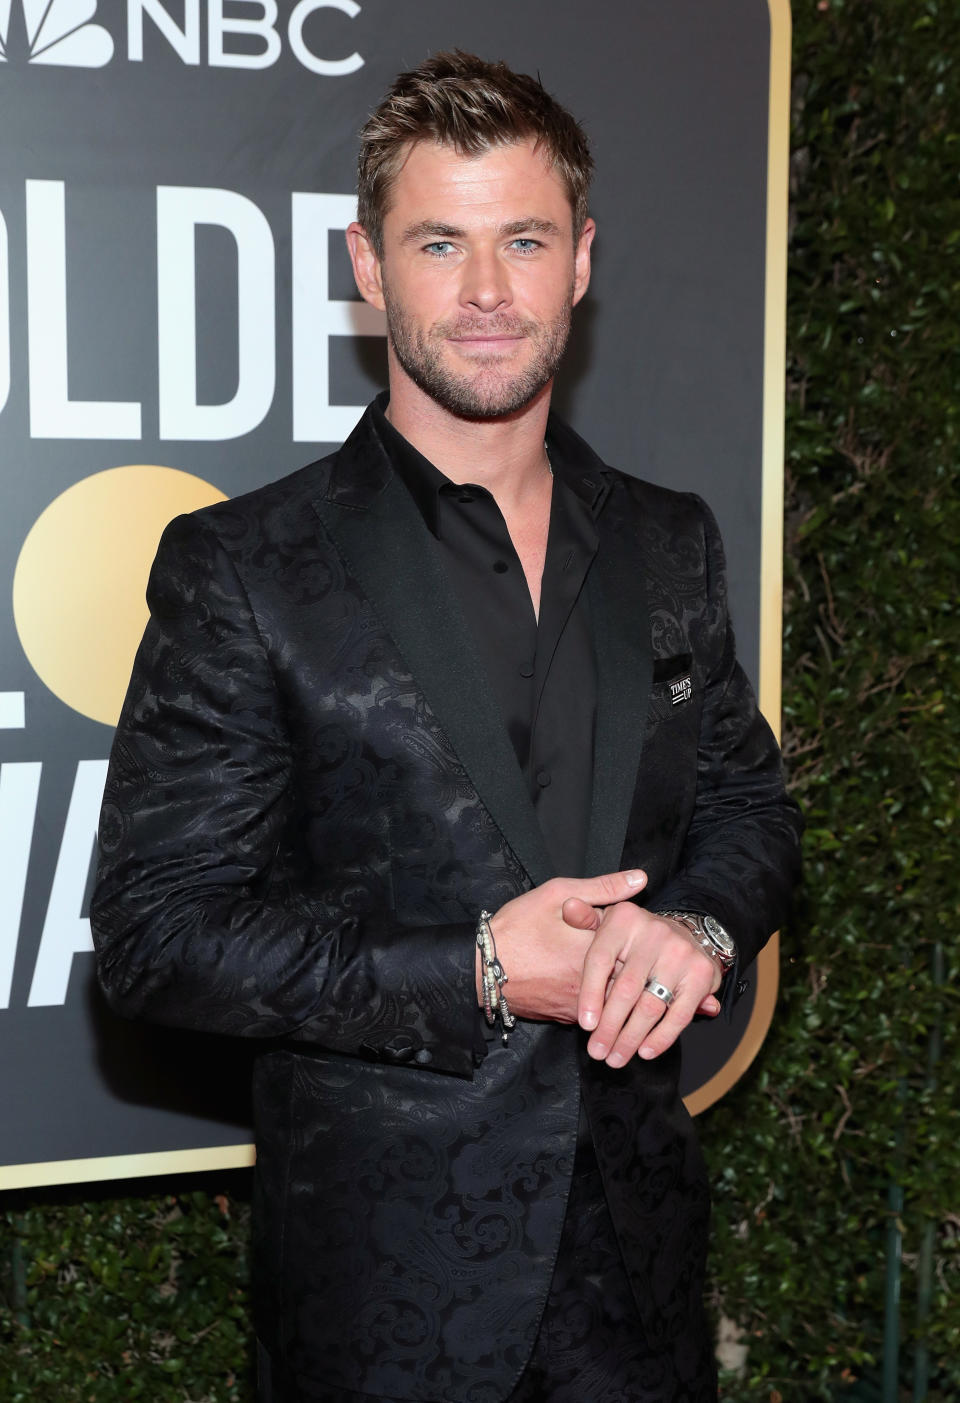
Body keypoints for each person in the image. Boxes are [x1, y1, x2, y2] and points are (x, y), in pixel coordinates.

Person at [92, 50, 801, 1403]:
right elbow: (155, 933)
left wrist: (698, 929)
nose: (487, 294)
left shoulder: (670, 541)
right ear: (369, 266)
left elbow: (749, 811)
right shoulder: (248, 568)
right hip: (384, 1306)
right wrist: (475, 967)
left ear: (581, 261)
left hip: (638, 1294)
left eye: (524, 241)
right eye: (441, 244)